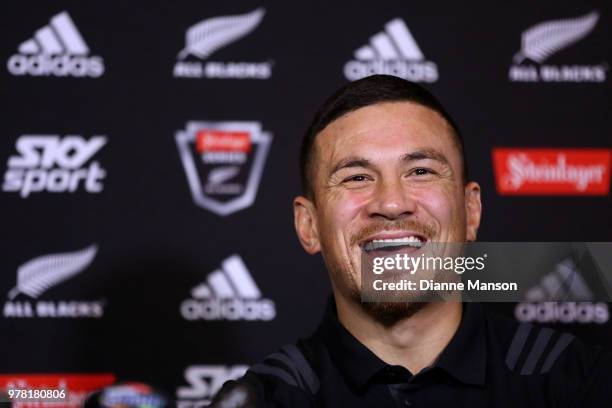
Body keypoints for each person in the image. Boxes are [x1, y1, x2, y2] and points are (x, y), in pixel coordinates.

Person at [208, 75, 612, 407]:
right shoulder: (265, 401)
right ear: (308, 225)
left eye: (420, 171)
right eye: (356, 177)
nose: (391, 203)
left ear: (471, 211)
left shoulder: (577, 382)